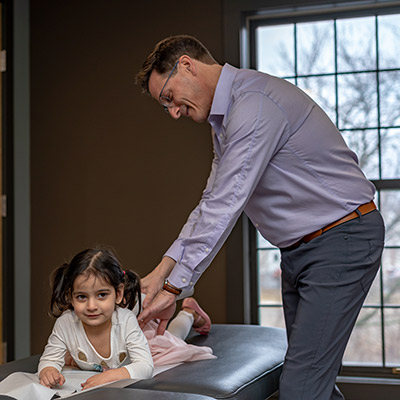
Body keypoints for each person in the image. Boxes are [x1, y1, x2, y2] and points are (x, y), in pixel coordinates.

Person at [135, 35, 385, 400]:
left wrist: (175, 289)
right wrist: (161, 273)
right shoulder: (226, 121)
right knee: (313, 383)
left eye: (170, 98)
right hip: (302, 250)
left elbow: (226, 203)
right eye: (165, 107)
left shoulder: (253, 106)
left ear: (186, 65)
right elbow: (209, 202)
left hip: (341, 239)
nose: (174, 112)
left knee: (301, 387)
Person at [38, 247, 214, 391]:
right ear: (71, 296)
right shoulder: (65, 323)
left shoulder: (126, 320)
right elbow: (49, 358)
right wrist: (48, 370)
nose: (91, 306)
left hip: (143, 347)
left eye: (101, 295)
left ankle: (189, 313)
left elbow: (145, 366)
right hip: (125, 345)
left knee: (172, 340)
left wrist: (112, 375)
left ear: (118, 293)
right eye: (82, 297)